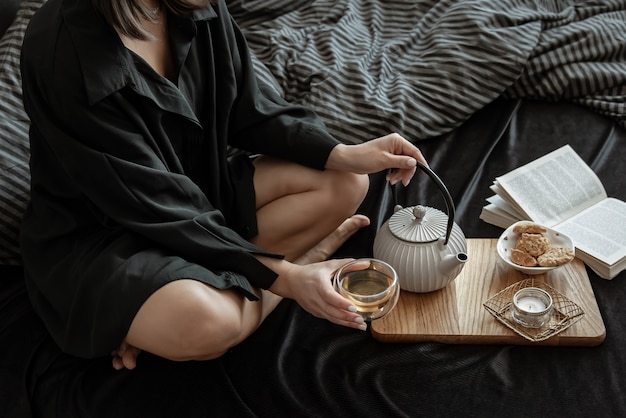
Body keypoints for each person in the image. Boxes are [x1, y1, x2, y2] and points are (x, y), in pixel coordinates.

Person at [19, 0, 427, 371]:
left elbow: (247, 108)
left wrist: (343, 153)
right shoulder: (62, 49)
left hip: (200, 192)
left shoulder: (193, 3)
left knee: (346, 182)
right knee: (208, 323)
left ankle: (214, 281)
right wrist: (289, 277)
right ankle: (290, 265)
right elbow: (152, 204)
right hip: (108, 238)